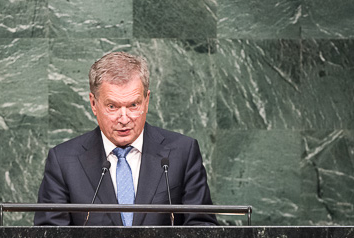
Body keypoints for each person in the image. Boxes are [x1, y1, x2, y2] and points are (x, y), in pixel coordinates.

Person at [34, 52, 217, 226]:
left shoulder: (182, 153)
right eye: (112, 106)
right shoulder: (64, 161)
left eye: (133, 105)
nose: (124, 118)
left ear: (146, 101)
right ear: (93, 104)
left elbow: (202, 229)